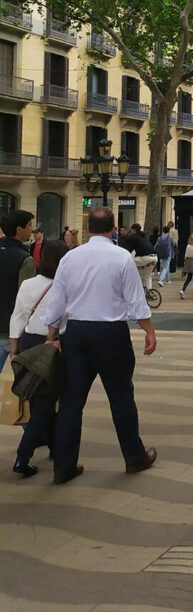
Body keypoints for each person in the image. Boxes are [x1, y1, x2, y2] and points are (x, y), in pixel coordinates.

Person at [37, 206, 157, 484]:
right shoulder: (121, 257)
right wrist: (148, 330)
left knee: (71, 401)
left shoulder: (70, 258)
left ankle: (64, 466)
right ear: (114, 228)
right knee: (121, 397)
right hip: (111, 334)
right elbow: (135, 300)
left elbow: (58, 301)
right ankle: (134, 457)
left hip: (76, 333)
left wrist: (51, 335)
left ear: (89, 228)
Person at [9, 239, 69, 477]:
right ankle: (22, 458)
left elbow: (18, 316)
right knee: (48, 404)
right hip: (56, 345)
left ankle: (54, 447)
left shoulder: (29, 284)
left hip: (30, 343)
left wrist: (15, 350)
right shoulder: (66, 286)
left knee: (39, 400)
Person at [0, 209, 35, 370]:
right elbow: (25, 297)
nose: (32, 229)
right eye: (29, 225)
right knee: (23, 379)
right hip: (11, 327)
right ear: (19, 229)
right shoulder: (25, 259)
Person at [179, 232, 193, 298]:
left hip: (188, 262)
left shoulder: (188, 246)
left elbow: (186, 255)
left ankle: (182, 290)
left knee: (188, 278)